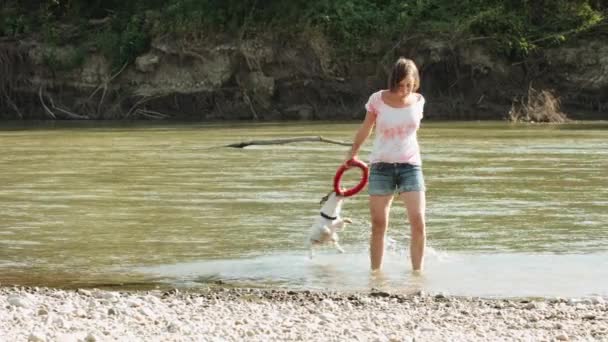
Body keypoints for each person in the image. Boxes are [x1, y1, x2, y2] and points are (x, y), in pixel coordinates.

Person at [345, 57, 427, 272]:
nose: (404, 90)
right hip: (381, 166)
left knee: (418, 221)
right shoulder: (377, 99)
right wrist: (351, 155)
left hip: (411, 166)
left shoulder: (419, 101)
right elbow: (366, 129)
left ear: (415, 82)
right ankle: (376, 274)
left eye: (409, 85)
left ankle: (417, 274)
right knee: (379, 224)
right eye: (400, 85)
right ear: (393, 82)